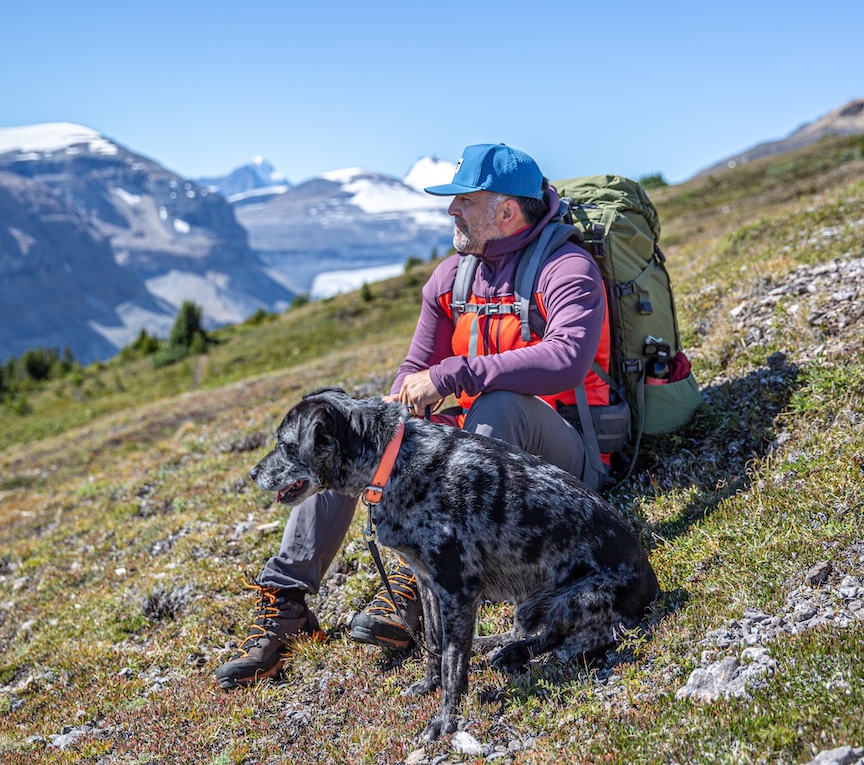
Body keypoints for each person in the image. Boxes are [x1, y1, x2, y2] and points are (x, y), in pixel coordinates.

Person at [216, 143, 613, 688]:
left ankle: (416, 579)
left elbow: (567, 359)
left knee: (496, 406)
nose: (451, 211)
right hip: (477, 457)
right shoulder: (451, 277)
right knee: (346, 441)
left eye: (463, 202)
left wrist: (454, 376)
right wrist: (397, 404)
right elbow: (414, 368)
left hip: (562, 468)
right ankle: (287, 605)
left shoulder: (567, 267)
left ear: (505, 211)